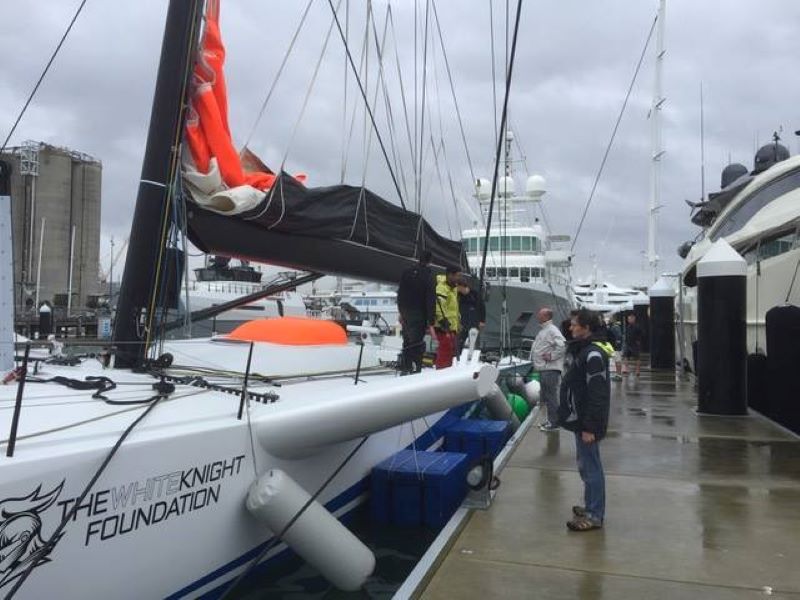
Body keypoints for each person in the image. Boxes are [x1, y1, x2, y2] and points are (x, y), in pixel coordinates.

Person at [557, 309, 611, 531]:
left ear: (586, 328)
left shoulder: (593, 355)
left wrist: (590, 427)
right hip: (580, 420)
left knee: (591, 467)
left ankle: (594, 514)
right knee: (584, 466)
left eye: (575, 324)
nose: (570, 327)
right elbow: (565, 331)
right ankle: (590, 505)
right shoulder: (583, 349)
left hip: (587, 423)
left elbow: (598, 394)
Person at [397, 251, 436, 373]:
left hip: (406, 312)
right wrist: (431, 321)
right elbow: (430, 299)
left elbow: (400, 294)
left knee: (407, 341)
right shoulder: (429, 275)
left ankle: (406, 367)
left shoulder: (406, 272)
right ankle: (416, 369)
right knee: (417, 343)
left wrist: (401, 312)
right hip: (419, 313)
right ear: (430, 261)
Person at [530, 308, 566, 432]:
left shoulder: (552, 330)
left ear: (546, 317)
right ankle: (551, 420)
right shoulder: (545, 330)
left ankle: (554, 423)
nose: (537, 316)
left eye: (540, 314)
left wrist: (552, 356)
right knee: (546, 396)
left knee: (551, 397)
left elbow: (562, 345)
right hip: (544, 369)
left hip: (550, 369)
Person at [433, 266, 462, 369]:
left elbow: (454, 308)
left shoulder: (453, 288)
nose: (459, 278)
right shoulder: (442, 288)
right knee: (445, 352)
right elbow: (438, 306)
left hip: (452, 327)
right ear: (450, 275)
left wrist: (458, 322)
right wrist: (442, 320)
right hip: (444, 327)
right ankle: (441, 372)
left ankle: (447, 371)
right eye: (457, 275)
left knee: (449, 352)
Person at [457, 278, 486, 351]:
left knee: (473, 342)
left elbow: (482, 307)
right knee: (459, 342)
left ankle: (473, 353)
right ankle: (458, 354)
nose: (457, 289)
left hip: (474, 321)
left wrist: (482, 321)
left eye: (458, 287)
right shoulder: (459, 296)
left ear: (462, 286)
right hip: (463, 322)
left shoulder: (475, 294)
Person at [607, 316, 623, 381]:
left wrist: (617, 343)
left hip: (616, 347)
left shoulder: (615, 327)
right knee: (617, 361)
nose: (609, 320)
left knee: (618, 361)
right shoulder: (614, 327)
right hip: (616, 347)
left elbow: (619, 336)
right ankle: (618, 375)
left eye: (610, 319)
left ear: (614, 320)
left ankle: (619, 375)